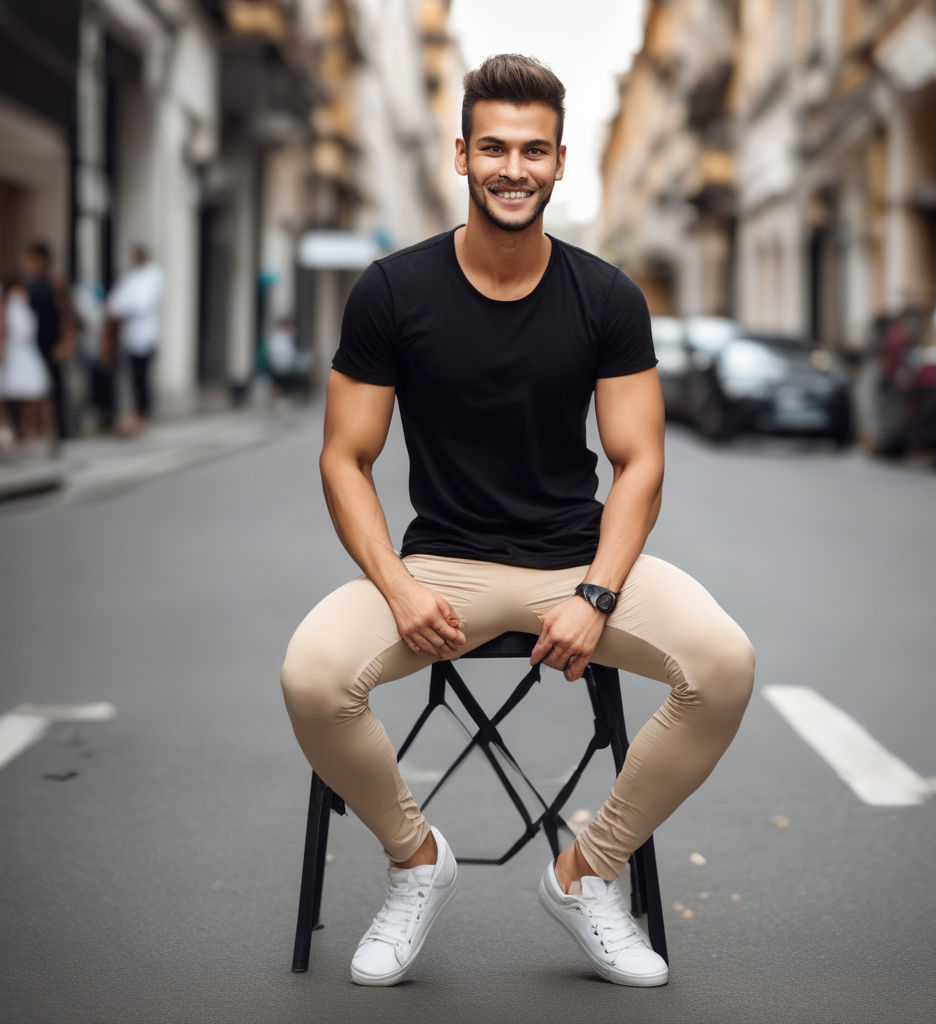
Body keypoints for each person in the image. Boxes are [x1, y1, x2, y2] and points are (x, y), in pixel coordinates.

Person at [280, 54, 755, 989]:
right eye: (493, 147)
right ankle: (416, 862)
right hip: (441, 568)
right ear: (461, 154)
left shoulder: (607, 296)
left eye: (533, 150)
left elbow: (639, 463)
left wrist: (597, 592)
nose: (513, 167)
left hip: (575, 563)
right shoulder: (391, 290)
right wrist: (397, 586)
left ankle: (586, 873)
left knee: (725, 664)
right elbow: (345, 457)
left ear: (561, 161)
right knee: (311, 677)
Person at [107, 245, 163, 435]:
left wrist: (124, 308)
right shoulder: (130, 277)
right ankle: (129, 416)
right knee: (129, 378)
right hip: (129, 337)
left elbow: (142, 304)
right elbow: (114, 303)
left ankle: (141, 415)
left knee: (141, 378)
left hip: (145, 337)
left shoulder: (154, 276)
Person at [22, 242, 75, 441]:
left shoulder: (56, 282)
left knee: (56, 387)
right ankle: (36, 430)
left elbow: (67, 315)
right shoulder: (28, 284)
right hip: (33, 344)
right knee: (32, 387)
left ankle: (62, 430)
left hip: (53, 342)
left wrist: (67, 342)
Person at [1, 277, 51, 448]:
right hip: (14, 354)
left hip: (27, 354)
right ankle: (14, 430)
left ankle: (32, 430)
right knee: (13, 394)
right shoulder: (9, 309)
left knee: (33, 394)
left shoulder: (24, 308)